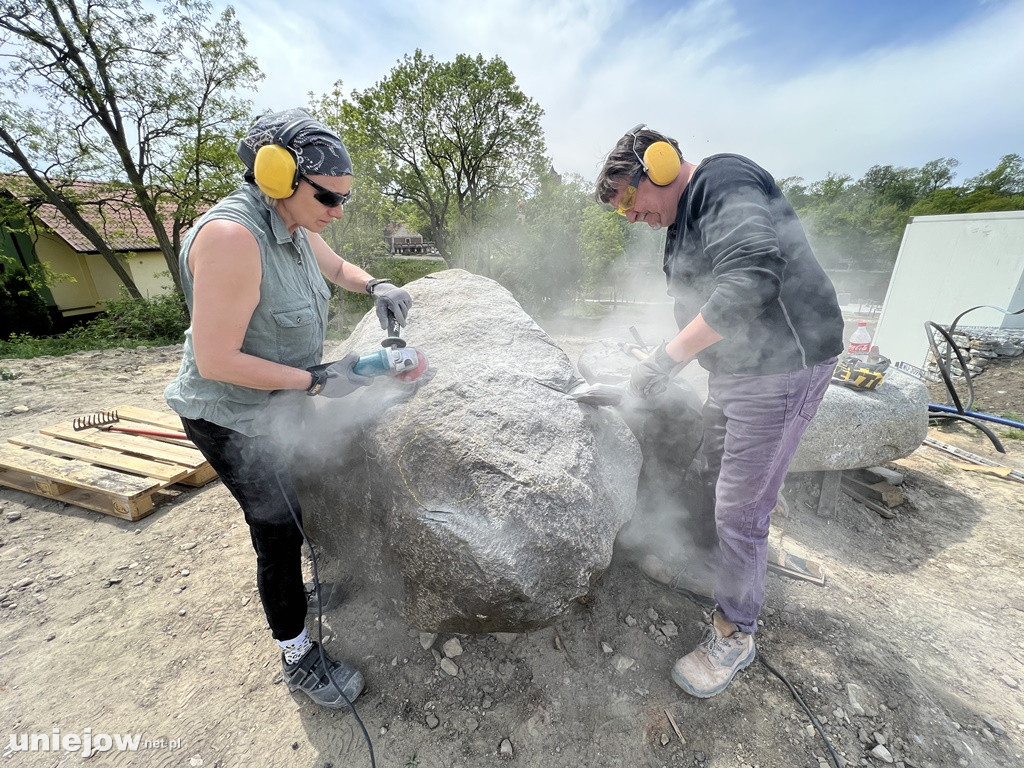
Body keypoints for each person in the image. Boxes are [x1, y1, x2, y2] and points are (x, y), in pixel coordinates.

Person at [164, 108, 413, 709]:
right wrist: (317, 379)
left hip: (280, 399)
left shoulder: (297, 225)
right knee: (276, 529)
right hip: (233, 417)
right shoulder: (232, 239)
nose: (338, 210)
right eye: (329, 197)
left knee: (299, 500)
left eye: (344, 199)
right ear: (278, 177)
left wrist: (376, 285)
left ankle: (302, 592)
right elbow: (217, 359)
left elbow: (336, 266)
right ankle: (298, 656)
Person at [595, 125, 844, 698]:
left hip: (782, 368)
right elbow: (700, 308)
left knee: (740, 507)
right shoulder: (683, 222)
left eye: (630, 201)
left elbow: (752, 278)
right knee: (715, 472)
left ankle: (735, 632)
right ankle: (721, 565)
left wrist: (665, 359)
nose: (630, 217)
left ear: (657, 167)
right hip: (738, 372)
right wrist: (662, 366)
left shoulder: (722, 180)